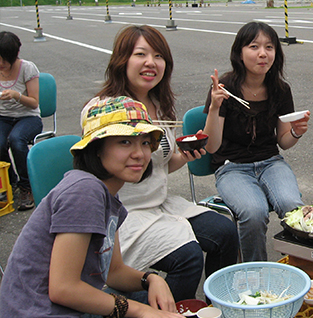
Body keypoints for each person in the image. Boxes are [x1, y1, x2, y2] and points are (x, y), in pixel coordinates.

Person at [84, 25, 239, 302]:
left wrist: (184, 157)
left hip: (160, 202)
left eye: (158, 56)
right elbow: (97, 167)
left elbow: (161, 166)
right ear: (122, 60)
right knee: (188, 257)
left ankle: (219, 304)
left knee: (225, 232)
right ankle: (165, 310)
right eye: (140, 54)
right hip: (126, 212)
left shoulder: (159, 103)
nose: (150, 63)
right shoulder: (103, 110)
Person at [0, 96, 184, 318]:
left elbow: (113, 272)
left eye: (145, 142)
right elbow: (63, 289)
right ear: (97, 148)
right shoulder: (85, 191)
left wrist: (151, 279)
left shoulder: (108, 196)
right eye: (125, 142)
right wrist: (141, 312)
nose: (139, 154)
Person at [203, 21, 308, 262]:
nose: (263, 53)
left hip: (271, 162)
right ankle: (256, 273)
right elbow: (211, 147)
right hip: (231, 166)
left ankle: (301, 266)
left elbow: (283, 141)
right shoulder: (224, 88)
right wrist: (214, 107)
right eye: (254, 46)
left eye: (269, 47)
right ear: (239, 52)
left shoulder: (280, 89)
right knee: (253, 211)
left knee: (293, 205)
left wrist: (296, 132)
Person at [0, 31, 43, 210]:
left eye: (3, 60)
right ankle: (10, 182)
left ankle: (27, 186)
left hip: (28, 117)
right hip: (3, 116)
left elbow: (34, 103)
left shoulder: (27, 68)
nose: (0, 64)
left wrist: (17, 96)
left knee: (17, 140)